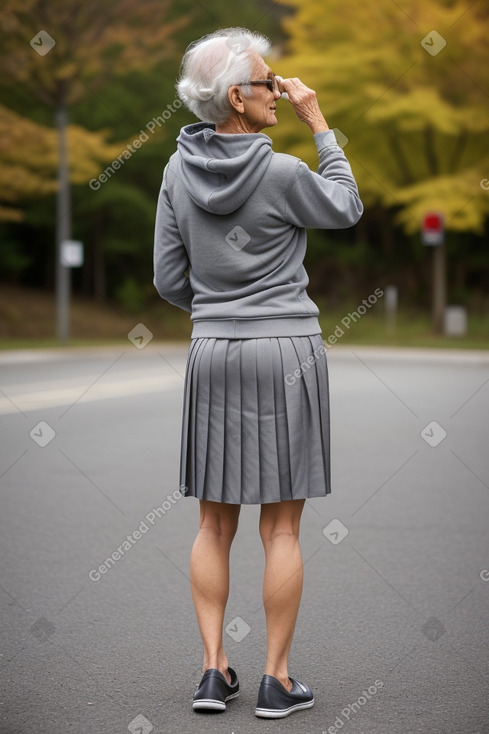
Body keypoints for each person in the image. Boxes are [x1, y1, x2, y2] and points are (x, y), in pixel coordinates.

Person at [153, 27, 363, 719]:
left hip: (212, 352)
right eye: (271, 83)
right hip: (286, 351)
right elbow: (346, 205)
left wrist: (217, 311)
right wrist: (318, 122)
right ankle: (275, 680)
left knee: (214, 525)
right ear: (237, 97)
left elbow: (167, 279)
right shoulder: (281, 173)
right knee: (281, 530)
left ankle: (212, 672)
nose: (281, 91)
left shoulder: (175, 173)